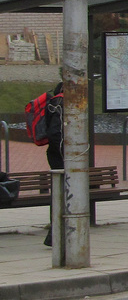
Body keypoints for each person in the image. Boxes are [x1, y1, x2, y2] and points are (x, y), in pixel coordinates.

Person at [43, 82, 64, 247]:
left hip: (55, 153)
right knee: (62, 193)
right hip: (63, 154)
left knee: (59, 193)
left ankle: (55, 233)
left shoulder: (53, 103)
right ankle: (55, 234)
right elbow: (56, 133)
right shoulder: (63, 104)